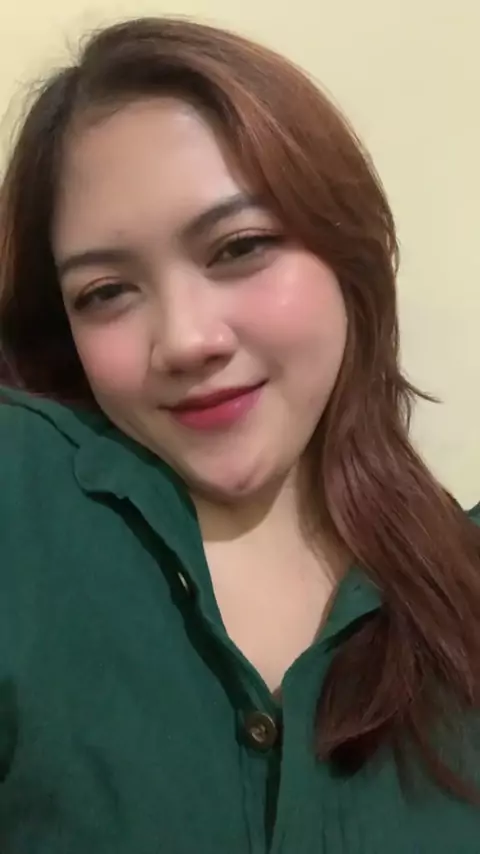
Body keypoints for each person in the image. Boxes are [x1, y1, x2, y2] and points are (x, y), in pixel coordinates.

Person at [0, 15, 478, 853]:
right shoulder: (21, 495)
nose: (186, 341)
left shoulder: (460, 583)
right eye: (106, 292)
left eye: (240, 246)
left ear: (349, 254)